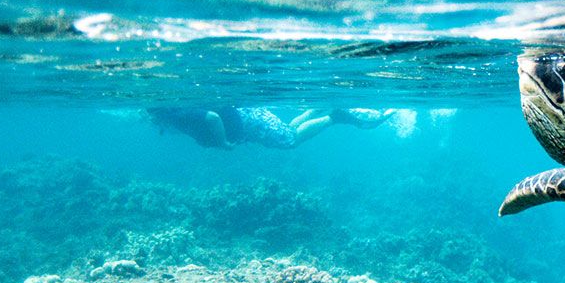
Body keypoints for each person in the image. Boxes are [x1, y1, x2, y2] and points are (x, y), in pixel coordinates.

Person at [149, 106, 391, 149]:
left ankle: (334, 117)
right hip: (248, 118)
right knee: (286, 130)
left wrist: (222, 143)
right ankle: (319, 110)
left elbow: (212, 117)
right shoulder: (175, 114)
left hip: (248, 124)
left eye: (151, 116)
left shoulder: (176, 115)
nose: (152, 123)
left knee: (290, 141)